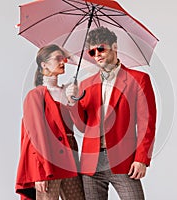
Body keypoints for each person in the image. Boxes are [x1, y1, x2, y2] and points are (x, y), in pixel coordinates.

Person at [66, 26, 157, 200]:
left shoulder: (138, 79)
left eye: (101, 48)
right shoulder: (85, 84)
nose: (97, 54)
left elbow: (147, 123)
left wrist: (142, 159)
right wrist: (72, 102)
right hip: (91, 163)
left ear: (114, 47)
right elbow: (82, 126)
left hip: (124, 160)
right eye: (92, 52)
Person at [15, 44, 85, 200]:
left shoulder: (68, 92)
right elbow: (35, 138)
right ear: (43, 64)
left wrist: (73, 102)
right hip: (48, 158)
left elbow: (82, 127)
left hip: (70, 155)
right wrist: (40, 172)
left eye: (64, 58)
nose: (63, 62)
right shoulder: (35, 95)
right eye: (58, 59)